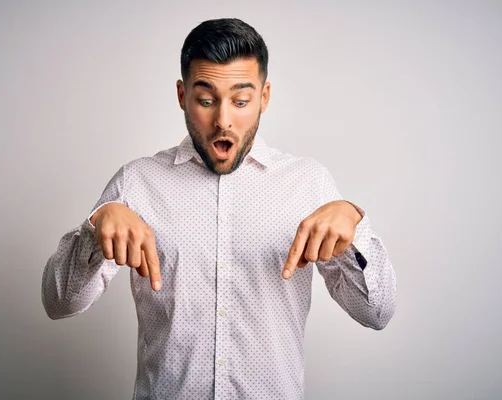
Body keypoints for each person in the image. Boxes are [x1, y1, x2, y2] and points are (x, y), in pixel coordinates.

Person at [41, 17, 396, 400]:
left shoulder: (308, 184)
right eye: (206, 100)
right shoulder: (136, 183)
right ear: (182, 95)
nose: (223, 120)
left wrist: (353, 226)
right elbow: (59, 303)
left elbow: (377, 313)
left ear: (265, 96)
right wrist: (97, 228)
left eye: (241, 101)